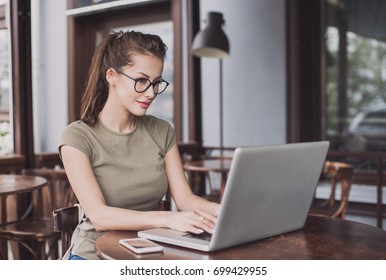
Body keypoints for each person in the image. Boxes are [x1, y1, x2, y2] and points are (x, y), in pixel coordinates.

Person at [59, 30, 220, 260]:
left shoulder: (162, 131)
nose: (151, 93)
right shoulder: (77, 137)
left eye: (156, 83)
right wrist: (168, 219)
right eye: (142, 81)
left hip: (148, 251)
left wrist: (220, 210)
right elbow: (99, 216)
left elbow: (185, 199)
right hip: (92, 256)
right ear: (112, 76)